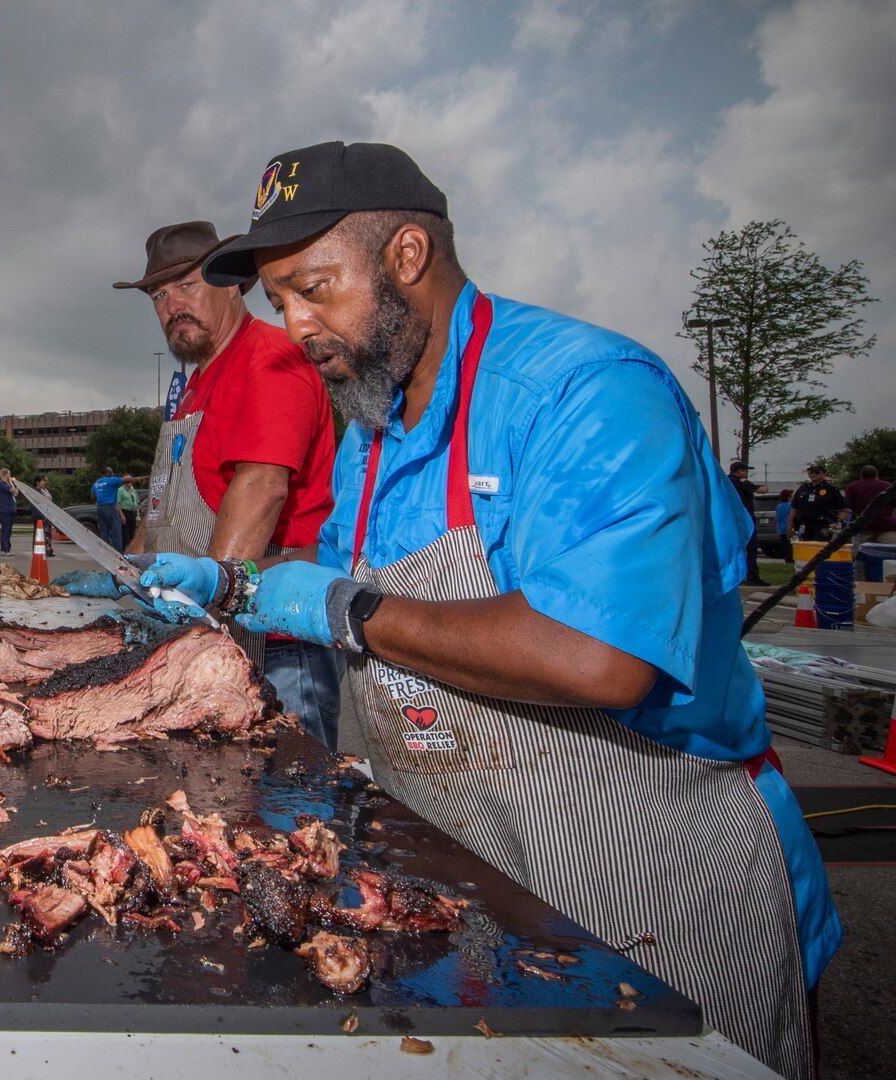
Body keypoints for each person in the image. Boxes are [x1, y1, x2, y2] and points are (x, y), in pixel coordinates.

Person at [143, 140, 836, 1079]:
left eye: (313, 288)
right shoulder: (372, 426)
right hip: (469, 868)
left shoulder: (584, 393)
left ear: (408, 256)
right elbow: (346, 568)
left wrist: (345, 610)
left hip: (648, 873)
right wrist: (236, 582)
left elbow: (600, 656)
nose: (298, 326)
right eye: (277, 302)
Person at [75, 219, 342, 748]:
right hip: (200, 629)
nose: (171, 305)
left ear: (229, 282)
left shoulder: (267, 360)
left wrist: (206, 614)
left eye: (188, 285)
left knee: (283, 806)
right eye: (158, 294)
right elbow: (163, 507)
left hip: (274, 638)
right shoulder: (197, 380)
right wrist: (128, 576)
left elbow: (261, 487)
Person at [729, 461, 766, 586]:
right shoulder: (741, 482)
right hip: (745, 518)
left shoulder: (725, 481)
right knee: (750, 547)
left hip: (730, 518)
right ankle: (752, 576)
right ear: (739, 471)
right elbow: (762, 490)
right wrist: (764, 486)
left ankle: (736, 576)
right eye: (745, 470)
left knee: (735, 548)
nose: (746, 473)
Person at [791, 463, 845, 540]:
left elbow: (844, 509)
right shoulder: (802, 489)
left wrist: (837, 524)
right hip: (804, 528)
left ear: (823, 473)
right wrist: (790, 527)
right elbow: (794, 510)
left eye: (816, 472)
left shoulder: (831, 489)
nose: (813, 474)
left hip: (824, 528)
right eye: (811, 472)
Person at [846, 464, 896, 543]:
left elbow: (847, 506)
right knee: (890, 552)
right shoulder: (888, 486)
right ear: (876, 475)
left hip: (863, 528)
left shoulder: (852, 487)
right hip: (886, 526)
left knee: (860, 552)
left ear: (861, 476)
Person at [89, 466, 127, 550]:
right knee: (116, 531)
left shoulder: (96, 483)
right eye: (112, 472)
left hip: (99, 508)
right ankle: (118, 552)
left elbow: (92, 497)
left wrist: (101, 496)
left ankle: (105, 552)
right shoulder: (111, 480)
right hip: (110, 507)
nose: (113, 474)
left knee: (104, 532)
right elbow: (126, 480)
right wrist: (141, 478)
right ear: (107, 473)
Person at [0, 467, 18, 555]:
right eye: (9, 474)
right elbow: (12, 490)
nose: (10, 475)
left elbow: (15, 493)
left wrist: (12, 483)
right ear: (5, 474)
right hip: (5, 510)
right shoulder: (2, 483)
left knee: (9, 530)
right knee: (5, 529)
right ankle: (3, 549)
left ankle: (7, 549)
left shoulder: (6, 483)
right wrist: (12, 482)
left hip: (11, 509)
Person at [33, 474, 56, 556]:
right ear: (37, 482)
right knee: (41, 533)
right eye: (43, 481)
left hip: (47, 514)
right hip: (41, 514)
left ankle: (48, 549)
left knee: (47, 533)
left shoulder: (45, 490)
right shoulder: (36, 491)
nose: (45, 482)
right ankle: (40, 550)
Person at [117, 476, 140, 549]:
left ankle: (131, 547)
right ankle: (125, 548)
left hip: (133, 512)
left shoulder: (133, 490)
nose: (130, 482)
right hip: (125, 512)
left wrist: (137, 513)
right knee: (125, 531)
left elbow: (137, 501)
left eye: (131, 480)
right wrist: (121, 515)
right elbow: (117, 503)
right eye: (128, 480)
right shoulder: (120, 490)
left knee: (132, 530)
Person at [775, 488, 795, 562]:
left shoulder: (778, 506)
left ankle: (786, 559)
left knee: (785, 546)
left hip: (780, 528)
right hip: (789, 528)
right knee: (791, 545)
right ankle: (790, 560)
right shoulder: (791, 506)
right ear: (788, 497)